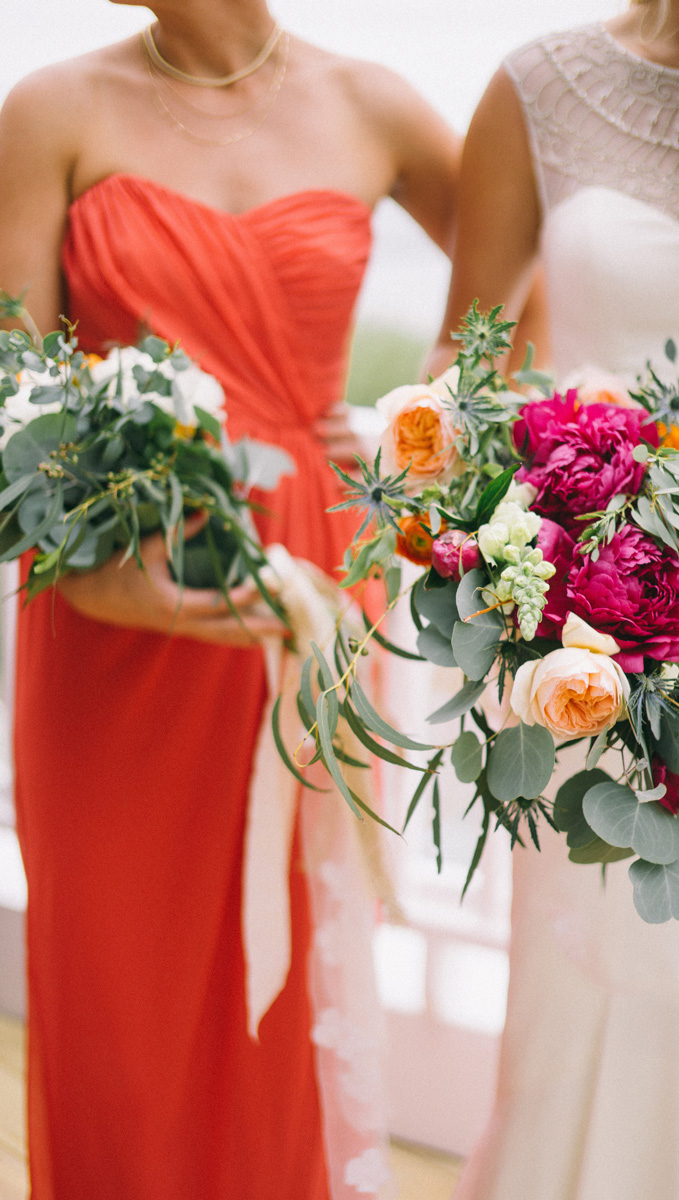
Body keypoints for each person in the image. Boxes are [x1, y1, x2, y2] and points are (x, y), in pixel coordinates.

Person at [0, 3, 458, 1197]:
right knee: (114, 986)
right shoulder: (50, 109)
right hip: (109, 597)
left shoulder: (376, 105)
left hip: (306, 584)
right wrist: (100, 581)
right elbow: (10, 390)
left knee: (282, 984)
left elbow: (527, 272)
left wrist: (426, 431)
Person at [428, 2, 679, 1198]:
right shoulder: (538, 83)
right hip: (586, 661)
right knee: (596, 1001)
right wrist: (515, 559)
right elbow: (464, 376)